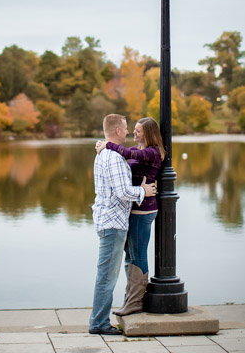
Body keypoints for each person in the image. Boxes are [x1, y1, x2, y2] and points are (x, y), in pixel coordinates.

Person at [89, 114, 157, 335]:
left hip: (106, 219)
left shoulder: (103, 153)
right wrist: (143, 191)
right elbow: (122, 192)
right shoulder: (115, 158)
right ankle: (99, 324)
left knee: (106, 274)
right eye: (126, 128)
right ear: (117, 131)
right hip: (113, 223)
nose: (128, 132)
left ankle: (101, 320)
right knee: (107, 277)